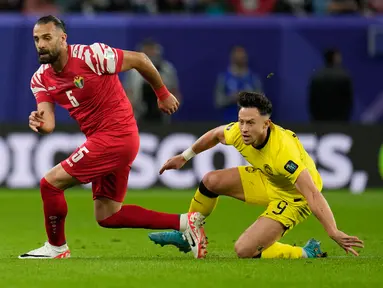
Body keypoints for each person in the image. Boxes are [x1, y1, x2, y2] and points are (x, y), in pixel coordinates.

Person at [19, 15, 206, 260]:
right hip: (103, 140)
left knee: (50, 184)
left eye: (46, 38)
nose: (41, 44)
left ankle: (56, 248)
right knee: (108, 215)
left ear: (63, 39)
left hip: (117, 135)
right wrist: (39, 123)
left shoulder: (91, 56)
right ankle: (186, 223)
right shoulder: (40, 79)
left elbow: (140, 59)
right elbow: (48, 123)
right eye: (36, 39)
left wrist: (162, 93)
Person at [149, 91, 364, 259]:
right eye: (241, 121)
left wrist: (332, 230)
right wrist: (184, 157)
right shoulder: (239, 133)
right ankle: (189, 234)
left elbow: (312, 193)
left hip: (294, 197)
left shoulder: (282, 153)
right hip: (268, 178)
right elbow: (215, 135)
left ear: (266, 124)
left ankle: (307, 252)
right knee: (210, 181)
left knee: (244, 250)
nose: (243, 128)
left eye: (250, 123)